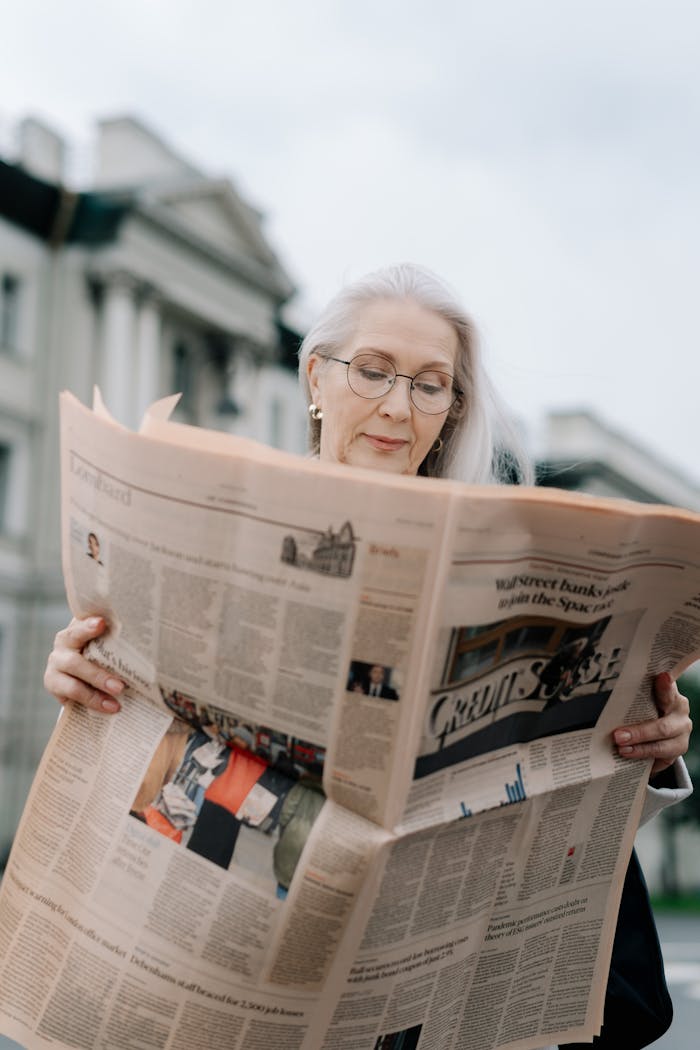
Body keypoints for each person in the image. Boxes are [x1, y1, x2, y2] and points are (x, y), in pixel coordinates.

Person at [43, 264, 692, 1046]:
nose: (397, 406)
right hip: (240, 964)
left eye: (430, 385)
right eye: (374, 371)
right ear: (316, 378)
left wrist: (646, 755)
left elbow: (553, 807)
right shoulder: (219, 535)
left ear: (451, 410)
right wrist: (87, 692)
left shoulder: (505, 569)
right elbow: (156, 790)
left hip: (426, 1000)